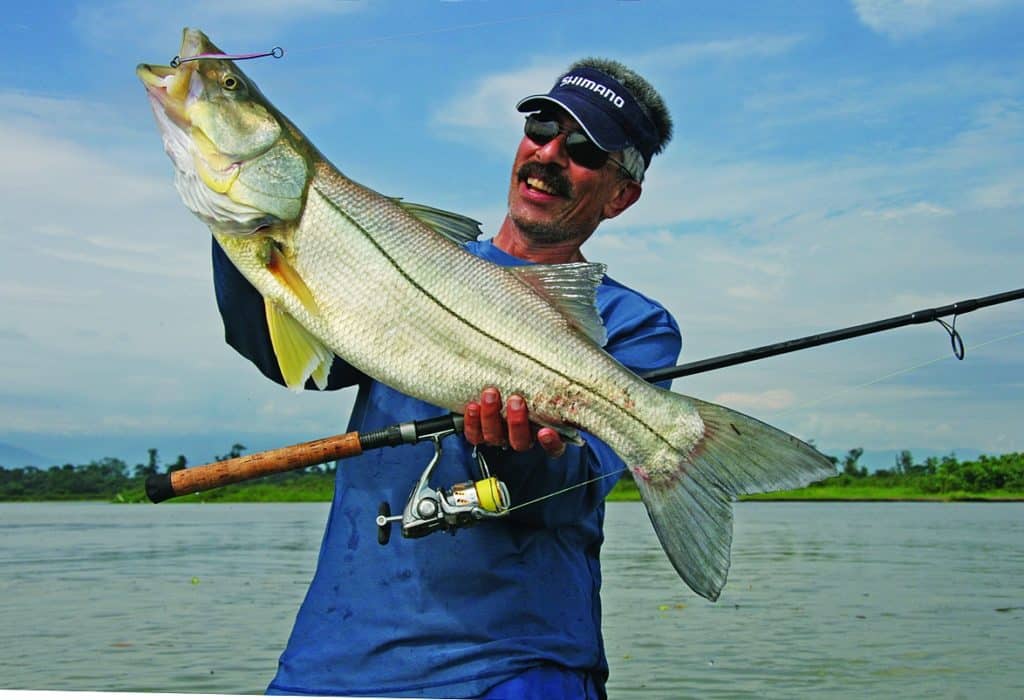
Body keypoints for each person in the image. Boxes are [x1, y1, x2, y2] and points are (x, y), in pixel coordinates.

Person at [212, 57, 679, 699]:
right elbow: (281, 356)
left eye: (583, 149)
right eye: (541, 127)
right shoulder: (405, 255)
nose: (548, 154)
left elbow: (576, 488)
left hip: (514, 665)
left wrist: (508, 454)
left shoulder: (632, 323)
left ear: (621, 193)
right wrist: (243, 216)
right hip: (335, 662)